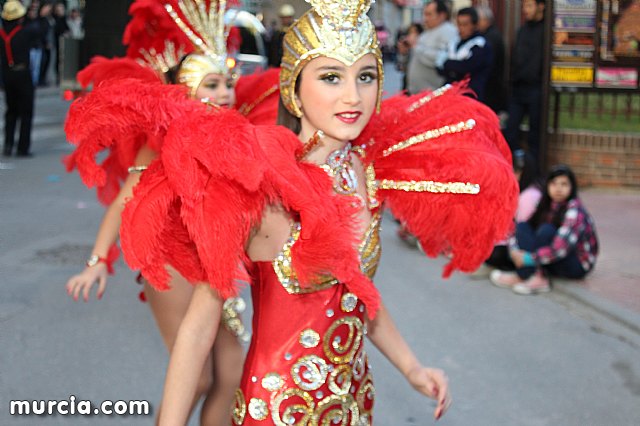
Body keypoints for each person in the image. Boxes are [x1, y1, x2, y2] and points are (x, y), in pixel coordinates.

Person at [96, 0, 519, 423]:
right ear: (294, 89)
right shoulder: (259, 188)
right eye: (331, 77)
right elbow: (197, 330)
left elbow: (358, 294)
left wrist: (411, 367)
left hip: (353, 404)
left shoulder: (364, 170)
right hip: (279, 412)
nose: (353, 96)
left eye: (366, 76)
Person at [63, 1, 279, 423]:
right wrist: (97, 261)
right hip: (172, 260)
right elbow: (128, 198)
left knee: (232, 374)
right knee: (197, 377)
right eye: (211, 85)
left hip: (217, 262)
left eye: (228, 83)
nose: (223, 94)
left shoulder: (241, 135)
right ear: (187, 90)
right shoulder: (163, 138)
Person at [490, 165, 599, 295]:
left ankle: (538, 278)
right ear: (547, 185)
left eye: (564, 184)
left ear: (572, 187)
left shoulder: (574, 211)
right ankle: (524, 275)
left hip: (577, 263)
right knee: (524, 226)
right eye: (554, 183)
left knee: (546, 230)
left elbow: (560, 249)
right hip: (550, 257)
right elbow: (518, 229)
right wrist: (514, 252)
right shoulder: (545, 204)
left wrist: (527, 259)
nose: (558, 189)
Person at [481, 151, 542, 273]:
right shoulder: (518, 189)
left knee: (494, 253)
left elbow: (521, 230)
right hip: (512, 238)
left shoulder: (529, 196)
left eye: (517, 171)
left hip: (525, 245)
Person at [503, 0, 546, 168]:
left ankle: (533, 171)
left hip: (536, 87)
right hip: (519, 87)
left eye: (529, 6)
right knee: (510, 130)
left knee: (535, 134)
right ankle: (514, 166)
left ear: (541, 6)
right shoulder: (522, 30)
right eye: (524, 6)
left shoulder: (546, 30)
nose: (525, 10)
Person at [1, 0, 42, 157]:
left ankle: (8, 144)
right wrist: (34, 17)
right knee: (26, 112)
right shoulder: (24, 32)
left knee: (11, 111)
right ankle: (22, 147)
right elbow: (39, 31)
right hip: (22, 74)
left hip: (7, 74)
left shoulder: (2, 35)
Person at [436, 7, 493, 102]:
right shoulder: (454, 42)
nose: (461, 28)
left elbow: (467, 68)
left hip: (471, 97)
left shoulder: (480, 44)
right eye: (459, 24)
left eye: (465, 24)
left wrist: (449, 64)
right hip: (450, 95)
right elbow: (439, 66)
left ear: (474, 25)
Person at [404, 0, 458, 94]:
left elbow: (442, 59)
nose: (425, 18)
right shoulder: (428, 31)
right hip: (417, 93)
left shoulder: (448, 31)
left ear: (442, 15)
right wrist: (405, 51)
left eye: (429, 14)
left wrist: (415, 46)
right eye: (424, 14)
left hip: (433, 93)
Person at [476, 5, 506, 114]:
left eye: (478, 20)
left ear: (485, 20)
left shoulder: (490, 37)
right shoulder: (488, 35)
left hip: (490, 88)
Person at [395, 23, 423, 92]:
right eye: (410, 32)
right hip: (408, 80)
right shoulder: (408, 45)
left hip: (420, 82)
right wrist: (403, 52)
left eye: (415, 32)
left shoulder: (423, 45)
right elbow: (401, 66)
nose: (413, 34)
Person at [267, 3, 295, 68]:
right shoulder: (277, 34)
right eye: (283, 18)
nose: (285, 20)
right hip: (278, 65)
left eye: (287, 18)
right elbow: (272, 50)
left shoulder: (294, 33)